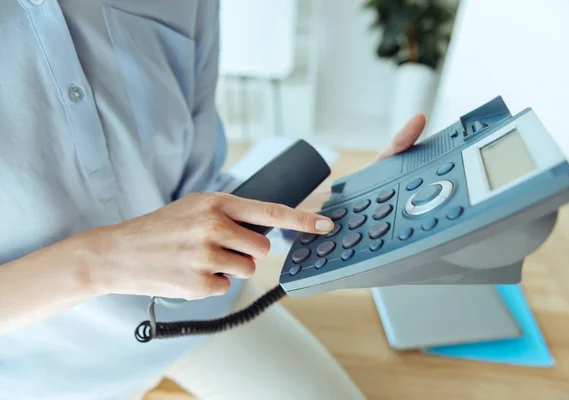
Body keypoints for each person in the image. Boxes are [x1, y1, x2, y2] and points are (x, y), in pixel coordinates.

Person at [0, 1, 426, 399]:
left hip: (199, 312)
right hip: (35, 373)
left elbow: (195, 182)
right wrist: (99, 261)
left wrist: (331, 206)